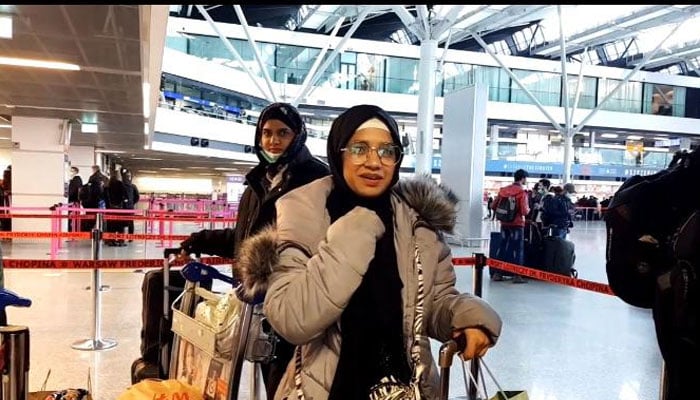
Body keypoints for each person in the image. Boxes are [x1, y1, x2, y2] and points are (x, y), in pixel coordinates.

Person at [236, 104, 502, 399]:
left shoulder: (416, 221)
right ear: (339, 152)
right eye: (360, 149)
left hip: (409, 388)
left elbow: (432, 302)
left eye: (387, 151)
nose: (374, 162)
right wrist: (355, 233)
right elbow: (292, 318)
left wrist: (465, 317)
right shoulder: (304, 212)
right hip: (324, 388)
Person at [177, 102, 330, 398]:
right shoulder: (258, 181)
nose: (273, 141)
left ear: (298, 136)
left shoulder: (316, 180)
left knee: (289, 383)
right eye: (267, 133)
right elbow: (245, 238)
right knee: (270, 374)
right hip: (257, 304)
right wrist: (199, 239)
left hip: (294, 302)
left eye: (283, 133)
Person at [491, 168, 530, 283]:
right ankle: (517, 275)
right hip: (517, 224)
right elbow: (524, 211)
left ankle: (497, 273)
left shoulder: (503, 190)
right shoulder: (521, 193)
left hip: (504, 223)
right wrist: (529, 209)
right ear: (522, 179)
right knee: (517, 249)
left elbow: (493, 205)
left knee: (502, 247)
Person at [67, 166, 83, 232]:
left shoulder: (76, 179)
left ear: (76, 172)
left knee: (73, 215)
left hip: (74, 200)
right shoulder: (75, 179)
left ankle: (73, 229)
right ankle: (73, 228)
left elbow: (75, 190)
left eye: (72, 171)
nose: (70, 172)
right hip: (74, 200)